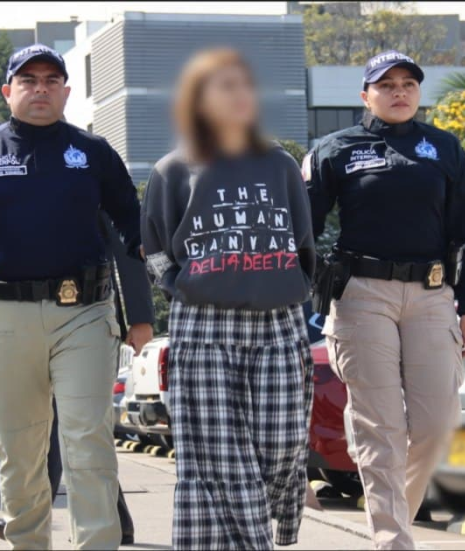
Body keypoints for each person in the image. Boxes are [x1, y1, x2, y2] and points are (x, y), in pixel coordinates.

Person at [0, 43, 145, 550]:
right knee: (20, 451)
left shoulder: (93, 152)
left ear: (66, 91)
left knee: (88, 441)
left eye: (51, 80)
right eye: (29, 80)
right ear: (8, 91)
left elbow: (132, 223)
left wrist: (152, 283)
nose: (40, 88)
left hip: (86, 316)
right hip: (6, 317)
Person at [303, 50, 465, 550]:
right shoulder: (335, 149)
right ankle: (393, 540)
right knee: (382, 427)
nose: (399, 92)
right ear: (366, 96)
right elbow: (305, 231)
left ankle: (394, 516)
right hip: (363, 297)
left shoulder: (444, 147)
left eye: (408, 83)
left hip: (431, 296)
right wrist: (309, 288)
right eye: (387, 85)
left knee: (437, 423)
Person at [141, 47, 316, 550]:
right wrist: (183, 290)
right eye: (225, 87)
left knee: (283, 446)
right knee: (218, 456)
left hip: (279, 319)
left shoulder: (281, 165)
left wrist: (291, 290)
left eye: (245, 86)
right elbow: (153, 247)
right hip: (203, 323)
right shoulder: (172, 169)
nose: (240, 96)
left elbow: (304, 243)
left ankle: (280, 520)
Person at [0, 212, 153, 545]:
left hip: (89, 319)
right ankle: (116, 521)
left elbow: (127, 239)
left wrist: (140, 317)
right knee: (78, 436)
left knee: (78, 432)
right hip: (22, 321)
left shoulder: (91, 166)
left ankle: (39, 517)